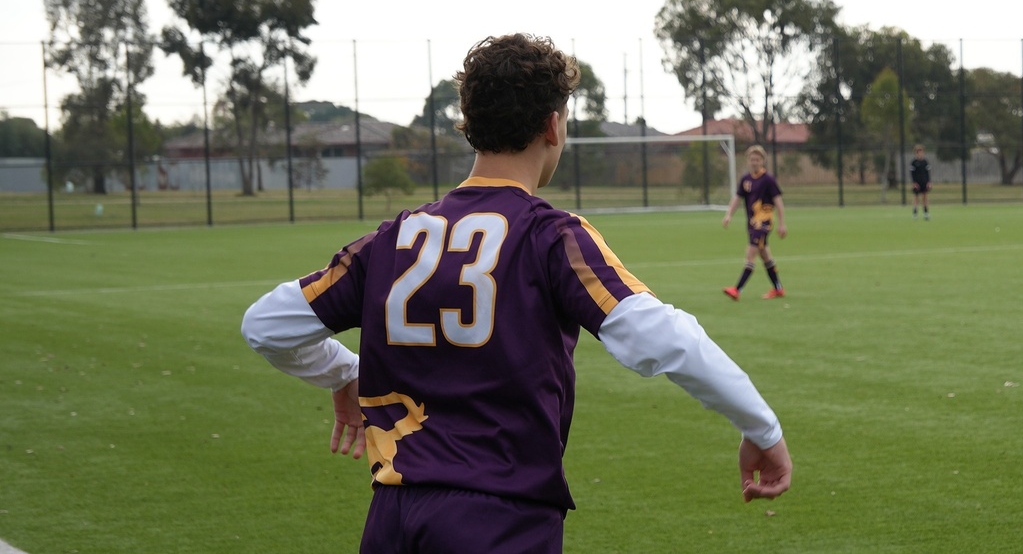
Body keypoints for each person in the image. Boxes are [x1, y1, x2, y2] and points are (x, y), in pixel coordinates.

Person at [241, 34, 791, 552]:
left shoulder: (389, 241)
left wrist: (342, 371)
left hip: (392, 519)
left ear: (471, 126)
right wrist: (760, 427)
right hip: (500, 521)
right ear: (553, 126)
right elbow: (666, 337)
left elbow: (265, 326)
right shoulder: (550, 236)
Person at [722, 145, 787, 300]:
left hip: (763, 224)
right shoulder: (746, 179)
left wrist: (782, 223)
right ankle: (778, 288)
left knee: (751, 254)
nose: (754, 162)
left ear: (763, 161)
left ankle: (737, 289)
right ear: (748, 161)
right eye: (752, 159)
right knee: (765, 256)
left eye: (757, 159)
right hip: (752, 223)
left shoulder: (768, 180)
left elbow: (778, 202)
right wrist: (729, 214)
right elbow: (737, 198)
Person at [909, 144, 931, 220]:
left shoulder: (925, 162)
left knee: (925, 197)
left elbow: (928, 173)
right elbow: (912, 174)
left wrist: (928, 182)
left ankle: (926, 213)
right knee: (916, 198)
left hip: (924, 182)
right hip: (917, 183)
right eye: (919, 152)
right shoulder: (914, 162)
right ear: (916, 153)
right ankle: (915, 214)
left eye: (922, 152)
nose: (921, 153)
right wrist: (914, 183)